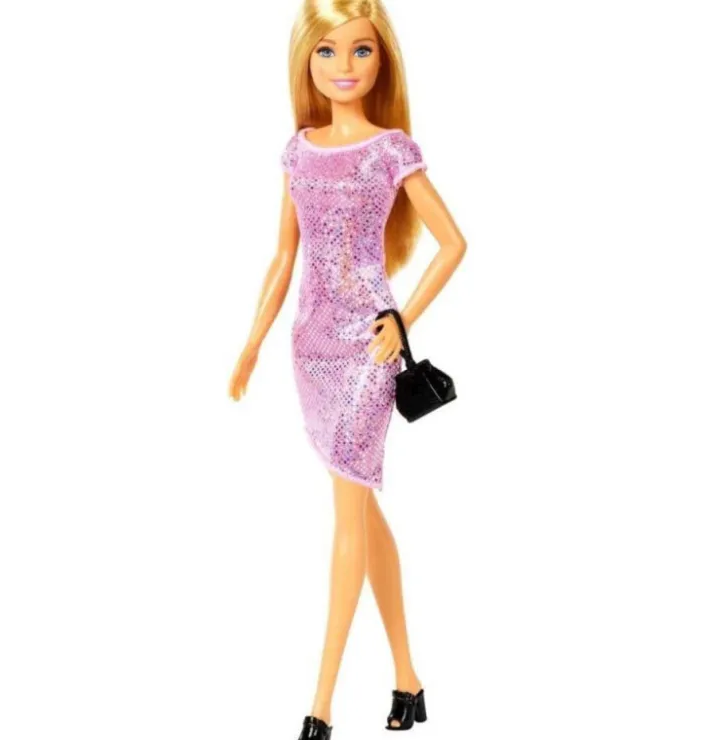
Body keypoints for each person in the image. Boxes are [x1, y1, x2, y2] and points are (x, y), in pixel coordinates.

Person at [228, 1, 466, 737]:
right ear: (305, 59)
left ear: (381, 59)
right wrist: (253, 341)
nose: (343, 66)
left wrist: (401, 320)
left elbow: (453, 243)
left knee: (346, 513)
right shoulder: (299, 151)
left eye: (360, 50)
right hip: (310, 344)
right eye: (327, 52)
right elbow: (283, 256)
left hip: (368, 348)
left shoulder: (391, 149)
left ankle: (319, 704)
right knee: (358, 506)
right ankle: (408, 682)